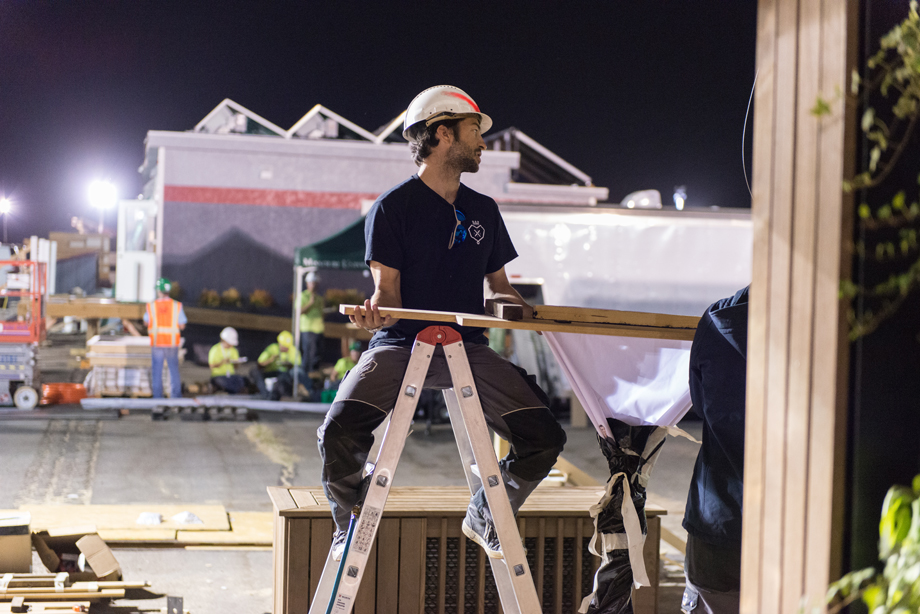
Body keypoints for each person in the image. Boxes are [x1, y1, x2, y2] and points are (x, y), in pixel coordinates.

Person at [317, 85, 567, 561]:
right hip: (400, 344)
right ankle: (351, 517)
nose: (483, 143)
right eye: (475, 131)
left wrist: (532, 315)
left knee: (544, 437)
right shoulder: (392, 208)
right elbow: (387, 296)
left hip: (467, 347)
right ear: (443, 133)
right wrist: (375, 315)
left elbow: (499, 288)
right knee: (338, 432)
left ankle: (485, 516)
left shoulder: (484, 211)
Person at [681, 285, 749, 614]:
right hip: (794, 537)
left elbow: (698, 401)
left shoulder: (717, 317)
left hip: (715, 524)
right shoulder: (828, 324)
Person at [144, 277, 186, 398]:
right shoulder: (176, 306)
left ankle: (157, 398)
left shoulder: (151, 306)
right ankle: (176, 397)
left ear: (159, 290)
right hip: (172, 343)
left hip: (157, 343)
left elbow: (146, 321)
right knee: (174, 371)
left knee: (157, 371)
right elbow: (182, 325)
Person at [253, 330, 304, 400]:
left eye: (286, 347)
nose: (284, 349)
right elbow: (260, 364)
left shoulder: (294, 351)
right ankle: (265, 394)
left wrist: (288, 365)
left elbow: (298, 367)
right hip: (271, 372)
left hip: (285, 375)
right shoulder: (272, 348)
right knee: (254, 372)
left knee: (284, 376)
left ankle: (275, 395)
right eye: (283, 346)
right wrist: (270, 360)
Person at [299, 271, 325, 373]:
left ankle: (314, 376)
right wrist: (310, 303)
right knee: (309, 354)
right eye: (312, 283)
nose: (314, 285)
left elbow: (321, 313)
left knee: (317, 355)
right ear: (307, 284)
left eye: (315, 283)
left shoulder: (320, 298)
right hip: (308, 330)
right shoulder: (303, 296)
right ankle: (305, 376)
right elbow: (299, 311)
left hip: (319, 329)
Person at [208, 327, 248, 394]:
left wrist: (236, 362)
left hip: (231, 376)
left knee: (240, 380)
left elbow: (236, 367)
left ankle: (235, 395)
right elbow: (211, 366)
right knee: (224, 382)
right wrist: (222, 362)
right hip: (218, 376)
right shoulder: (215, 349)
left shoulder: (234, 350)